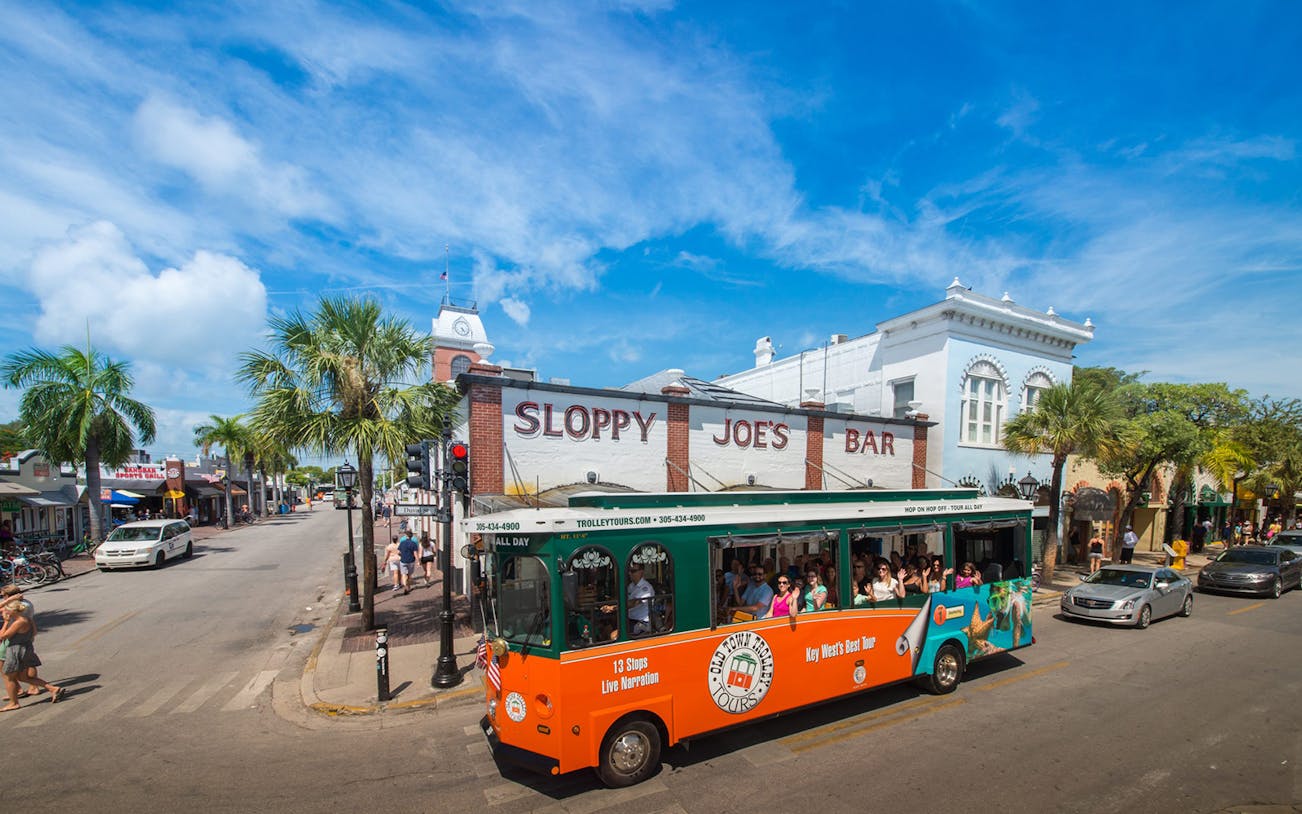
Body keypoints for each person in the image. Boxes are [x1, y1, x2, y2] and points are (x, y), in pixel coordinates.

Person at [1, 599, 63, 710]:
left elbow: (3, 636)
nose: (5, 612)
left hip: (16, 650)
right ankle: (53, 688)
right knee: (23, 677)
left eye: (7, 610)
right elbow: (34, 632)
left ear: (13, 611)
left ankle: (13, 703)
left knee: (9, 677)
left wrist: (6, 622)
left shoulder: (18, 622)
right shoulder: (28, 619)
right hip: (26, 647)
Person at [625, 564, 656, 634]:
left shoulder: (646, 588)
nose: (629, 573)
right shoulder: (631, 586)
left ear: (641, 572)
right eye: (629, 571)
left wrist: (614, 607)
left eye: (633, 571)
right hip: (630, 619)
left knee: (614, 636)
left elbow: (633, 603)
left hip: (642, 622)